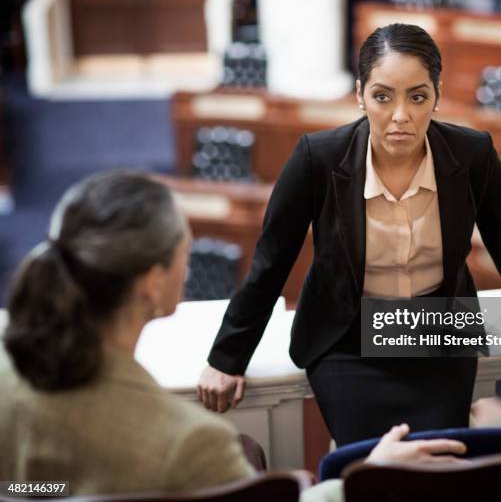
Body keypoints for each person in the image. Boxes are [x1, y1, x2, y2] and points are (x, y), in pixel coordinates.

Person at [199, 23, 501, 446]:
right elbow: (271, 262)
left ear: (437, 96)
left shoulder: (473, 155)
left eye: (417, 96)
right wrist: (227, 357)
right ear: (359, 95)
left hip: (438, 334)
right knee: (369, 468)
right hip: (349, 343)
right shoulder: (317, 158)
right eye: (382, 96)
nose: (400, 115)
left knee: (439, 463)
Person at [0, 170, 468, 500]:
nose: (189, 262)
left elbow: (28, 490)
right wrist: (365, 478)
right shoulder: (189, 445)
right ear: (151, 282)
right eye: (184, 248)